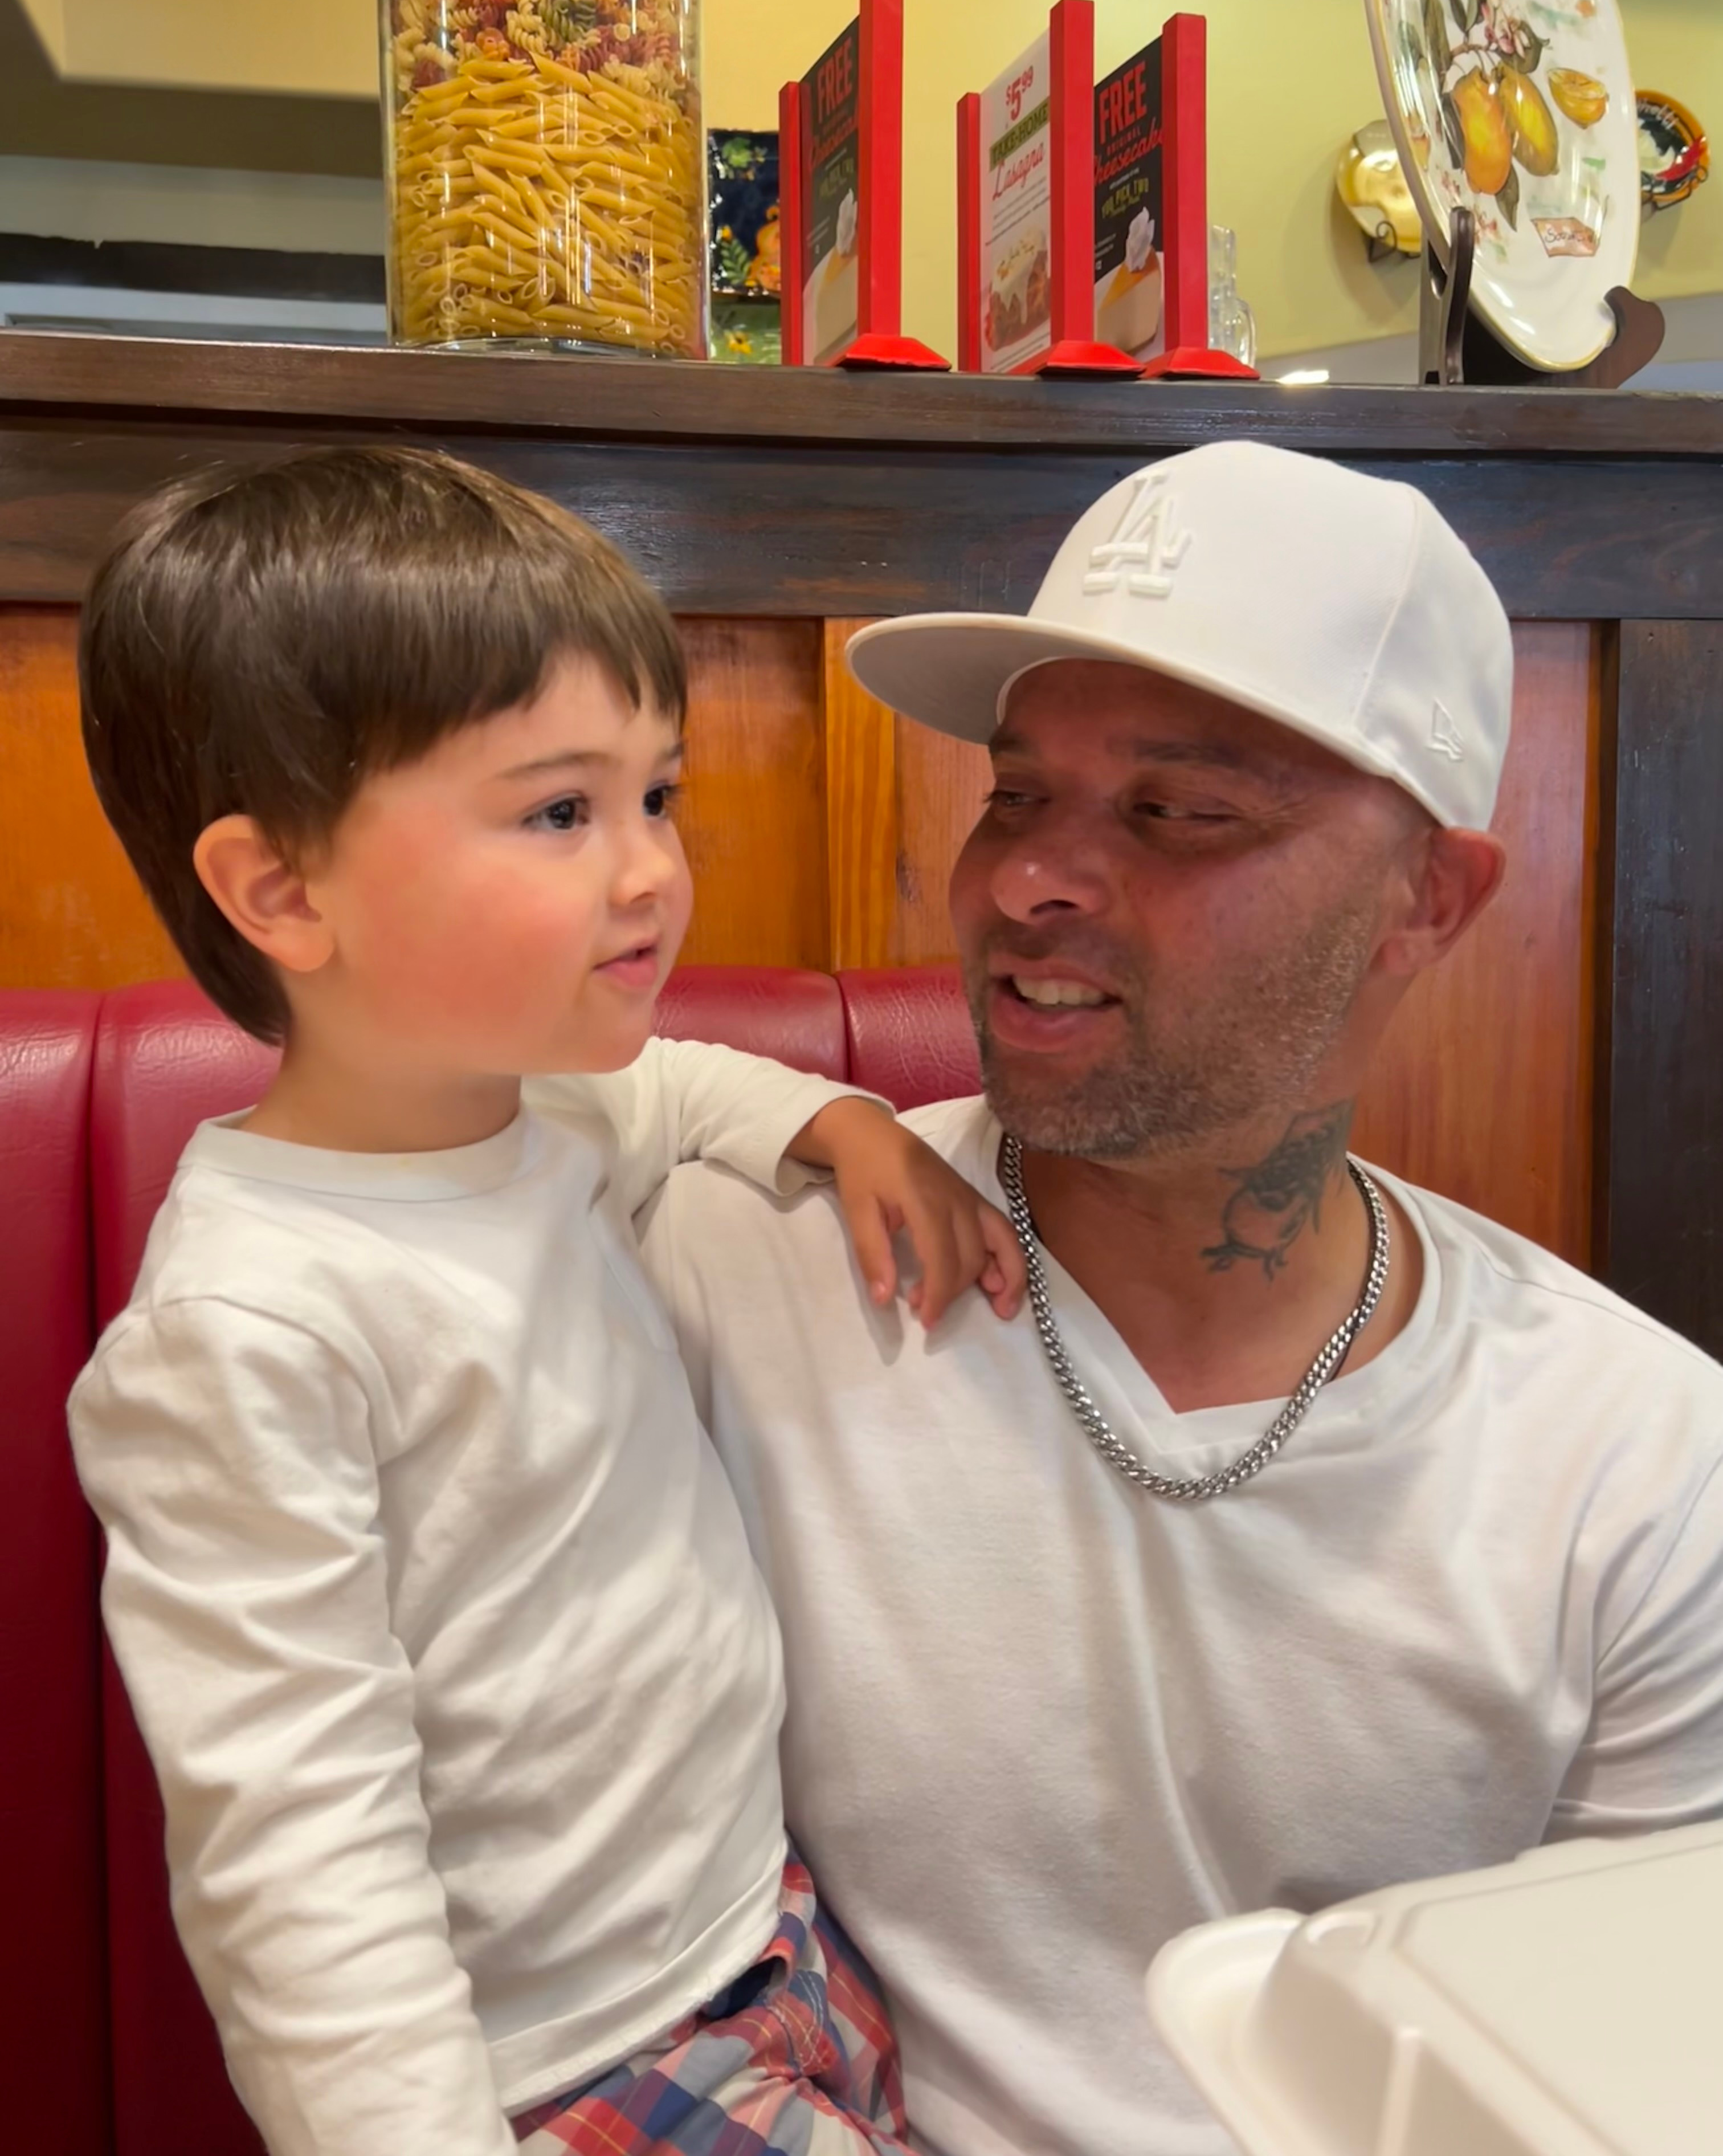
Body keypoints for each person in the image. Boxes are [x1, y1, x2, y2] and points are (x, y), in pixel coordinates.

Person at [640, 441, 1723, 2156]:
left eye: (1179, 813)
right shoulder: (724, 1274)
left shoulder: (1642, 1466)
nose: (1028, 884)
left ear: (1428, 900)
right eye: (1016, 797)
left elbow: (1623, 2073)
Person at [68, 447, 1023, 2156]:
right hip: (578, 2057)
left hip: (767, 1929)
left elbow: (678, 1087)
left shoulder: (548, 1113)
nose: (651, 869)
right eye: (561, 813)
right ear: (283, 891)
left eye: (658, 795)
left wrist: (841, 1122)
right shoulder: (249, 1329)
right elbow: (293, 1855)